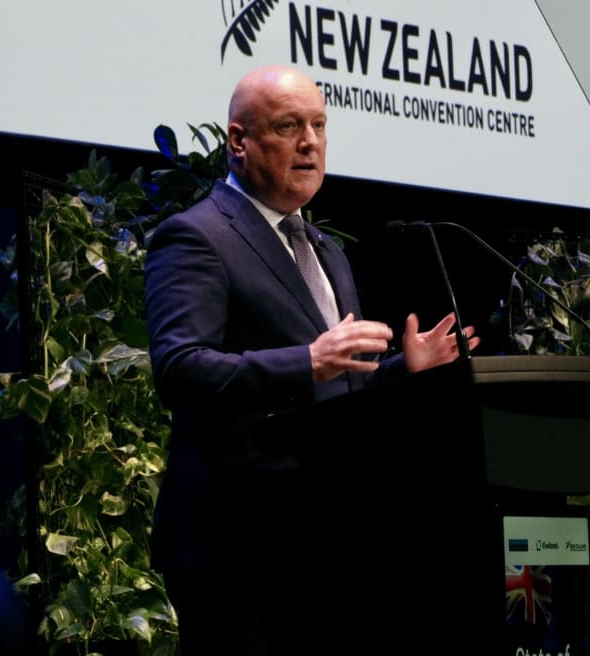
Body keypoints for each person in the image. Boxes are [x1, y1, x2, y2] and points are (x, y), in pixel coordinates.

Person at [143, 64, 479, 655]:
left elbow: (335, 394)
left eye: (319, 125)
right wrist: (309, 360)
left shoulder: (325, 249)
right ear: (238, 142)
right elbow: (180, 369)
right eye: (288, 125)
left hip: (324, 537)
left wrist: (404, 371)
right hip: (237, 542)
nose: (311, 142)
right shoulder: (196, 236)